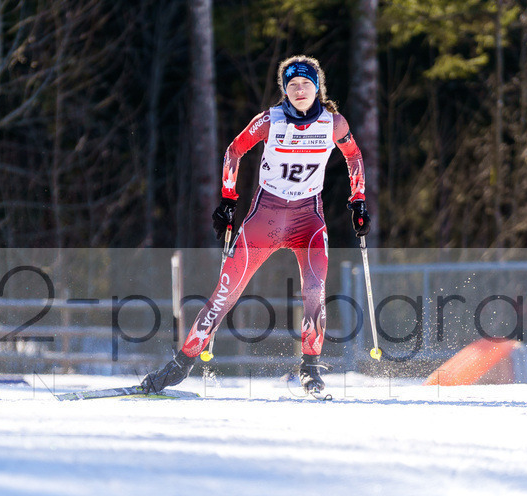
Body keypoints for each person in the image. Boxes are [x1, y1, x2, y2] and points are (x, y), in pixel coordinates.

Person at [141, 54, 370, 396]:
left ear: (318, 87)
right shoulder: (269, 121)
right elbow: (234, 151)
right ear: (285, 90)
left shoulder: (333, 123)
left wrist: (358, 200)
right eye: (293, 84)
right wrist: (228, 200)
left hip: (308, 220)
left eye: (306, 84)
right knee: (225, 294)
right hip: (266, 219)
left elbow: (353, 155)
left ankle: (310, 368)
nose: (300, 90)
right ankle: (181, 364)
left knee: (315, 292)